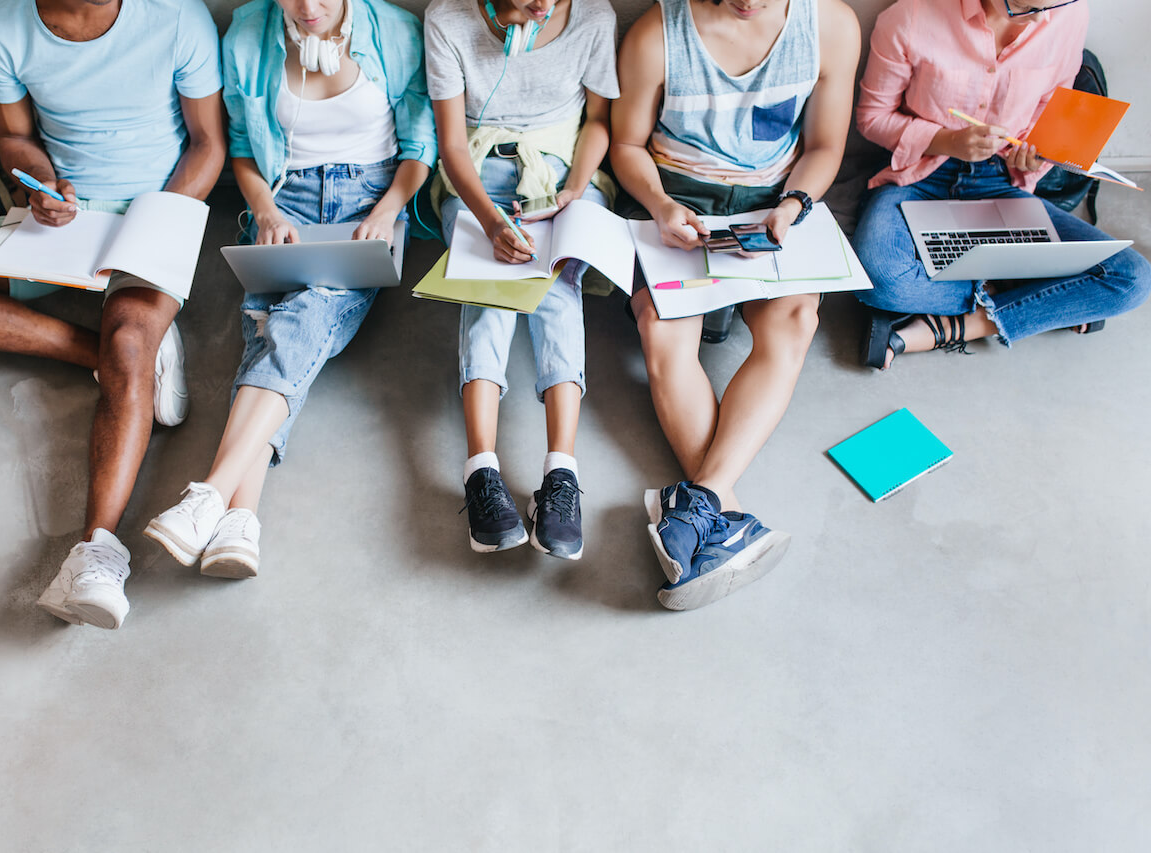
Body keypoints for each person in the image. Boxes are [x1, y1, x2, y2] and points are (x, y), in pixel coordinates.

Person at [0, 0, 225, 629]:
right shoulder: (0, 23)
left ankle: (96, 553)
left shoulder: (176, 16)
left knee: (128, 343)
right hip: (62, 216)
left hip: (158, 206)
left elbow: (208, 145)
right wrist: (38, 186)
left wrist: (155, 226)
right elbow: (14, 136)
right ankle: (126, 366)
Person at [143, 0, 435, 578]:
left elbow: (419, 148)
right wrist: (266, 210)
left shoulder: (396, 32)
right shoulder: (248, 34)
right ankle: (238, 522)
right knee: (272, 332)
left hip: (366, 204)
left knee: (299, 320)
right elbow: (245, 153)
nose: (308, 9)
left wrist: (387, 211)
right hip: (285, 202)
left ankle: (211, 493)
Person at [610, 0, 859, 610]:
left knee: (798, 320)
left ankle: (698, 501)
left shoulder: (831, 25)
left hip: (777, 199)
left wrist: (794, 205)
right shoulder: (655, 35)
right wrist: (663, 206)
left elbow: (826, 145)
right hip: (676, 199)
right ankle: (724, 512)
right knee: (662, 326)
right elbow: (626, 145)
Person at [853, 0, 1151, 369]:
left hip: (1001, 181)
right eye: (1023, 6)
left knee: (1131, 276)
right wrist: (947, 141)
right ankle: (1044, 300)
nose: (1042, 17)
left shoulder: (1069, 13)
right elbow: (872, 117)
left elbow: (1048, 108)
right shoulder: (910, 16)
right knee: (881, 281)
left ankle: (956, 327)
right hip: (916, 176)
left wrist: (1034, 154)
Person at [425, 0, 618, 560]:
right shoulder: (448, 20)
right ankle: (481, 468)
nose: (544, 6)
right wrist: (490, 223)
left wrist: (576, 190)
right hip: (477, 177)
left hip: (564, 170)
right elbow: (453, 145)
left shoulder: (592, 17)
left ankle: (561, 474)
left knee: (558, 285)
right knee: (490, 293)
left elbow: (600, 121)